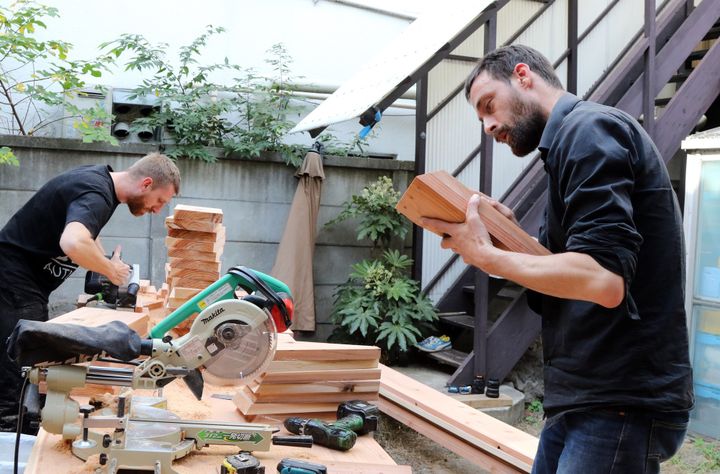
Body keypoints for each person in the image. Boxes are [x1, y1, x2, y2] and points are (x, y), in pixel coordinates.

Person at [421, 45, 693, 473]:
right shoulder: (567, 146)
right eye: (481, 119)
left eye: (489, 106)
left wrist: (486, 257)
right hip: (585, 393)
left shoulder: (590, 131)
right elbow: (572, 270)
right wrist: (508, 239)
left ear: (524, 76)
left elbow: (603, 280)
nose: (489, 125)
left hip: (618, 397)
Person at [0, 151, 180, 432]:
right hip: (13, 280)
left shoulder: (101, 183)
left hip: (24, 283)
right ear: (146, 184)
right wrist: (110, 272)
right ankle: (11, 437)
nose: (157, 210)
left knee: (27, 356)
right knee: (17, 364)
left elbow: (88, 233)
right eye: (159, 201)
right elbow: (73, 241)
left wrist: (107, 261)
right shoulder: (97, 193)